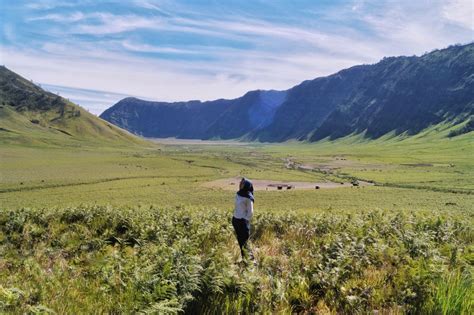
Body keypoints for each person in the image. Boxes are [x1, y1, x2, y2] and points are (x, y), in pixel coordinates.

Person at [232, 177, 255, 262]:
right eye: (240, 182)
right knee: (240, 241)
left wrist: (244, 220)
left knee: (245, 242)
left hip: (242, 222)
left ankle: (251, 261)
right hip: (236, 220)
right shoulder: (238, 194)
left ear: (246, 186)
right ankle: (244, 260)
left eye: (242, 183)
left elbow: (250, 212)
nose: (240, 184)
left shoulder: (248, 198)